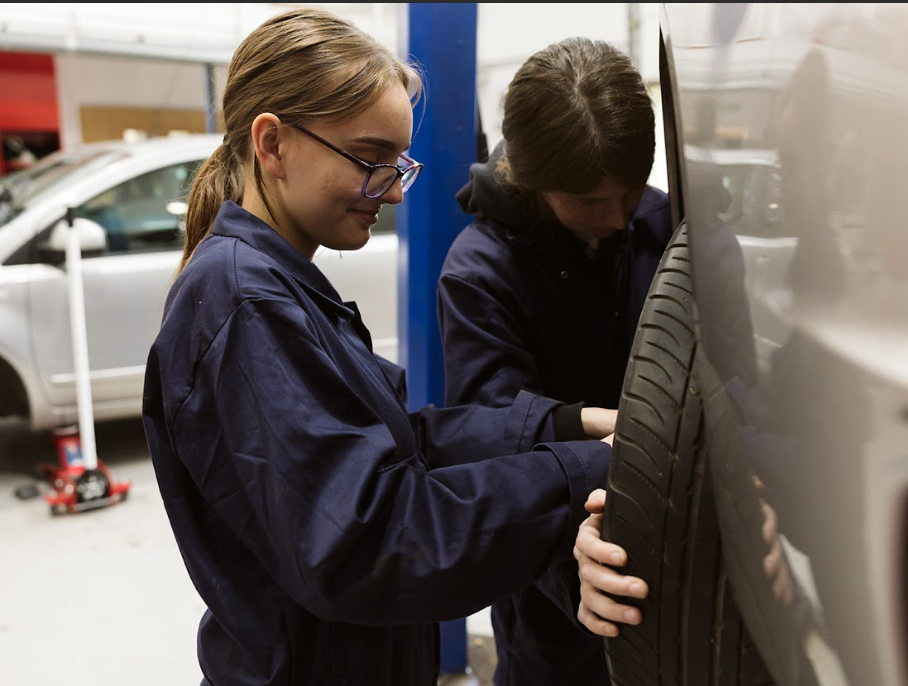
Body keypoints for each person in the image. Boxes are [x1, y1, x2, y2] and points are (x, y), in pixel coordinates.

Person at [140, 9, 646, 685]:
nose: (394, 192)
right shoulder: (242, 303)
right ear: (273, 144)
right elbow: (368, 541)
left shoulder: (279, 285)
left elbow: (399, 445)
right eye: (370, 160)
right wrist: (578, 470)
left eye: (396, 163)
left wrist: (564, 426)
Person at [436, 37, 673, 686]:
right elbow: (501, 453)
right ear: (535, 185)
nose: (620, 219)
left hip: (678, 567)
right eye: (592, 203)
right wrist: (580, 584)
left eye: (629, 193)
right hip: (554, 599)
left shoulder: (659, 224)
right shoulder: (480, 273)